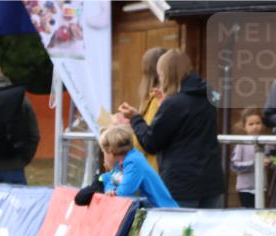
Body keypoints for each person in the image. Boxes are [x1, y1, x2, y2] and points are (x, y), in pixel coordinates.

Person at [118, 49, 225, 208]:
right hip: (212, 181)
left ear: (166, 74)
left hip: (182, 184)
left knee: (180, 232)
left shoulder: (174, 103)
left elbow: (151, 142)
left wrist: (135, 118)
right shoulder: (207, 98)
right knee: (207, 232)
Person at [97, 124, 176, 208]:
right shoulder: (120, 164)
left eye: (104, 152)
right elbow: (111, 182)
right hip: (153, 212)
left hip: (164, 212)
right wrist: (111, 190)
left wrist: (114, 192)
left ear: (111, 152)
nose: (104, 157)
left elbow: (125, 192)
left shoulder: (134, 161)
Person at [231, 108, 265, 208]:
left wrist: (271, 162)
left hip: (261, 187)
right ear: (244, 126)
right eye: (251, 124)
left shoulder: (265, 143)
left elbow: (272, 160)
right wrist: (256, 164)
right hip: (245, 189)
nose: (255, 127)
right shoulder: (241, 144)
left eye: (258, 123)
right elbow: (234, 166)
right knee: (248, 214)